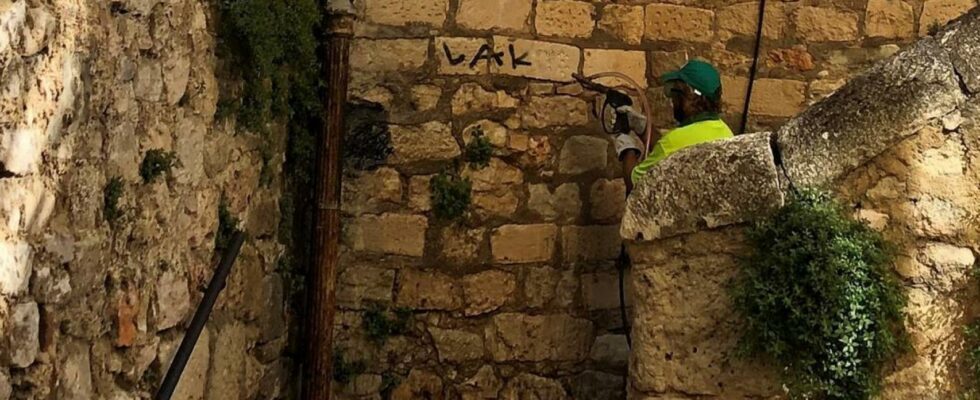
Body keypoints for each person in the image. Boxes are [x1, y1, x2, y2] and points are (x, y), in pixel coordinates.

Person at [614, 60, 734, 192]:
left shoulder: (673, 142)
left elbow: (634, 183)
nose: (672, 100)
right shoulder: (726, 132)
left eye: (674, 93)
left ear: (689, 97)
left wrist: (627, 146)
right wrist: (642, 127)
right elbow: (669, 152)